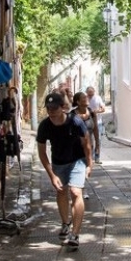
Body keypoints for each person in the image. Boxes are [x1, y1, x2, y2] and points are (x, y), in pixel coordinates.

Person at [36, 91, 92, 250]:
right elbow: (41, 152)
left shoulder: (75, 121)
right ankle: (65, 223)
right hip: (58, 162)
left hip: (77, 161)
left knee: (76, 192)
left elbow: (86, 143)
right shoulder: (45, 126)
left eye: (54, 108)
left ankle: (75, 234)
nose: (51, 111)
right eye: (48, 108)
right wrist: (51, 175)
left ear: (63, 108)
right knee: (61, 192)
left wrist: (89, 164)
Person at [71, 91, 98, 199]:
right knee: (78, 168)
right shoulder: (72, 115)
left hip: (89, 146)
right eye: (83, 98)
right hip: (76, 146)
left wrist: (98, 145)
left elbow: (95, 129)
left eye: (86, 97)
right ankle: (81, 188)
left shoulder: (91, 113)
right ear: (77, 101)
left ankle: (80, 186)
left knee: (87, 168)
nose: (86, 99)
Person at [86, 86, 107, 159]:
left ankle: (97, 156)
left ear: (94, 92)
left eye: (91, 93)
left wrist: (96, 111)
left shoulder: (98, 98)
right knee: (89, 140)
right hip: (88, 122)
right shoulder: (85, 99)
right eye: (89, 93)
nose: (90, 95)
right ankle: (90, 156)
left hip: (98, 122)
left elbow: (103, 109)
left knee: (98, 140)